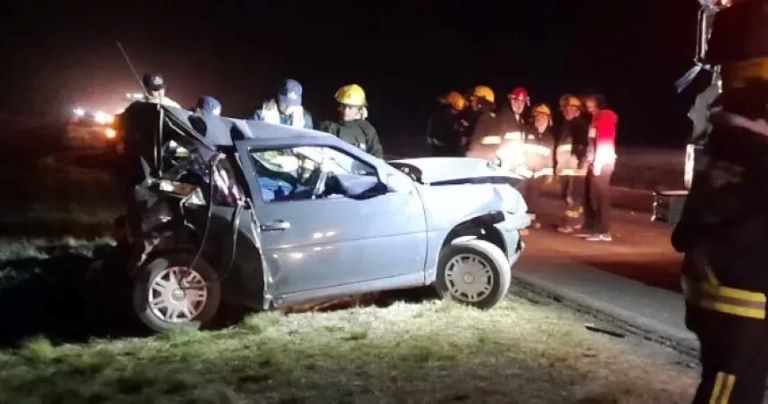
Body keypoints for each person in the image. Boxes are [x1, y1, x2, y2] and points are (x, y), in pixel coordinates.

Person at [672, 1, 768, 402]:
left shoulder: (735, 128)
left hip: (735, 289)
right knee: (731, 392)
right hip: (736, 292)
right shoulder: (749, 139)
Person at [581, 93, 618, 242]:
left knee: (600, 197)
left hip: (603, 162)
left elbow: (604, 140)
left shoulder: (605, 115)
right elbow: (592, 142)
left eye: (591, 102)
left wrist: (598, 162)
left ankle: (603, 231)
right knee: (593, 195)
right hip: (596, 161)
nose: (589, 105)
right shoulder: (595, 117)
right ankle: (594, 228)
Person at [555, 94, 590, 234]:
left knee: (572, 196)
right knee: (572, 197)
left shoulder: (578, 125)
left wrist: (581, 161)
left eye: (571, 108)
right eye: (565, 108)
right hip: (566, 168)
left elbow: (581, 145)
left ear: (577, 111)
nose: (567, 110)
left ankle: (568, 224)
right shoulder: (566, 126)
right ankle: (577, 222)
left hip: (574, 168)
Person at [319, 84, 384, 158]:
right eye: (344, 106)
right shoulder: (329, 126)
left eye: (350, 108)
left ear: (359, 109)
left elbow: (377, 157)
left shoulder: (367, 129)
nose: (346, 111)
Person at [522, 103, 556, 229]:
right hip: (524, 171)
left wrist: (549, 173)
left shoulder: (549, 137)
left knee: (534, 198)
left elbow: (549, 156)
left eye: (544, 116)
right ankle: (520, 220)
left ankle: (530, 221)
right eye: (538, 116)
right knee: (522, 195)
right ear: (534, 117)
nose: (541, 119)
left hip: (539, 173)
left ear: (548, 119)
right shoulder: (526, 131)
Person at [426, 91, 470, 156]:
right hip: (443, 149)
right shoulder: (443, 115)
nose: (457, 112)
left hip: (440, 148)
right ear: (451, 105)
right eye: (456, 110)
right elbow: (451, 131)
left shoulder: (439, 113)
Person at [465, 85, 500, 161]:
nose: (472, 102)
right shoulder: (493, 118)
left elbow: (473, 150)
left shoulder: (483, 120)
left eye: (474, 99)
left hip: (478, 165)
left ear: (481, 101)